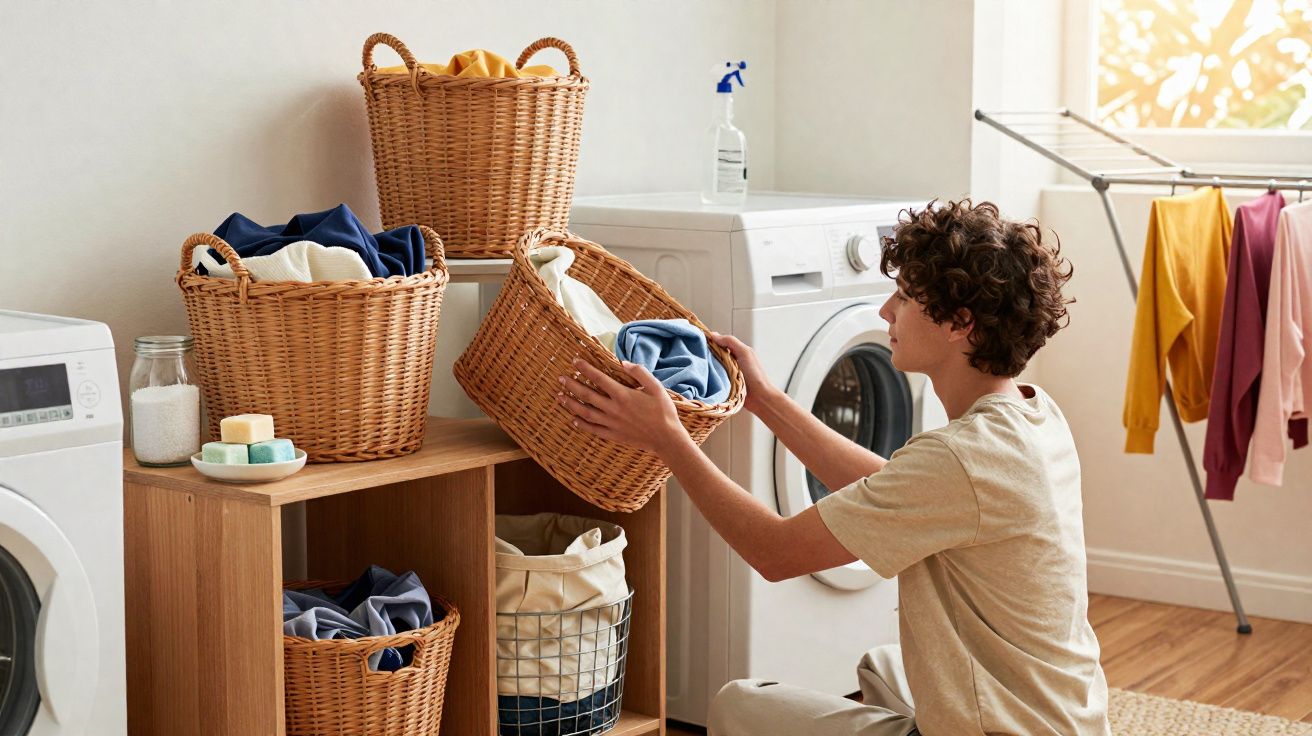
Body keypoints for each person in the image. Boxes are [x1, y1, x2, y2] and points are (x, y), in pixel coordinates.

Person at [555, 199, 1110, 735]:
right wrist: (766, 398)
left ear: (959, 323)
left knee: (737, 705)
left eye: (905, 298)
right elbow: (900, 485)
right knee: (883, 667)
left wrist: (668, 439)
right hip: (1066, 719)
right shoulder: (1033, 416)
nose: (885, 312)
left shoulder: (960, 458)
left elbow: (773, 552)